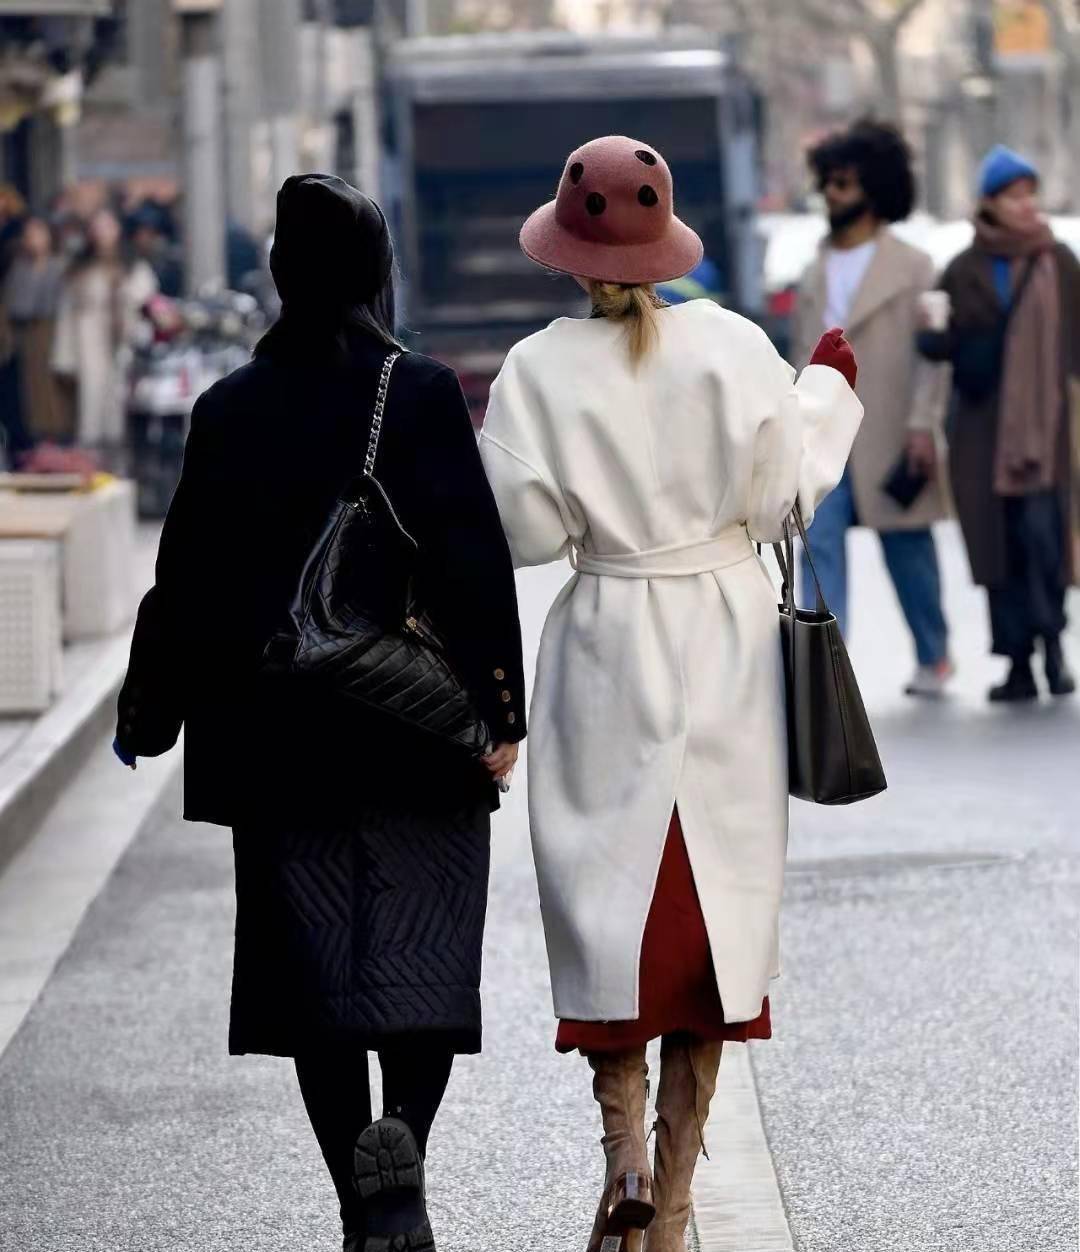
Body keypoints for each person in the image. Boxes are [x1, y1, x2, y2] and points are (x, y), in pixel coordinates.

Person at [112, 174, 527, 1252]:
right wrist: (499, 710)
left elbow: (186, 580)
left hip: (277, 733)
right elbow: (474, 563)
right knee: (421, 959)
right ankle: (406, 1144)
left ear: (279, 275)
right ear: (380, 270)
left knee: (317, 982)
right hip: (415, 723)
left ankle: (360, 1192)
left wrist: (150, 710)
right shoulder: (424, 391)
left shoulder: (228, 409)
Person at [479, 135, 863, 1252]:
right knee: (712, 930)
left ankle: (623, 1157)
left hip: (606, 633)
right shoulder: (736, 346)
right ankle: (679, 1206)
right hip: (727, 636)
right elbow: (791, 489)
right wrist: (829, 384)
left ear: (565, 250)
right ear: (666, 241)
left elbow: (528, 530)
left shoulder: (536, 370)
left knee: (613, 913)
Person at [795, 119, 953, 696]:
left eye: (844, 183)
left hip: (891, 427)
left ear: (875, 189)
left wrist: (923, 425)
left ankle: (934, 656)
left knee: (908, 549)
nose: (832, 194)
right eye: (828, 182)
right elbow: (799, 357)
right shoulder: (812, 270)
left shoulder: (915, 267)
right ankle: (829, 667)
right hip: (824, 434)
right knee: (821, 548)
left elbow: (935, 357)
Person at [918, 146, 1079, 701]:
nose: (1026, 204)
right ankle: (1015, 664)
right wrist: (934, 336)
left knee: (1044, 541)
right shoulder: (962, 269)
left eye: (1030, 193)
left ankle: (1053, 649)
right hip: (981, 432)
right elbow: (940, 345)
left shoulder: (1058, 262)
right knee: (997, 549)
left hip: (1046, 429)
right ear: (990, 202)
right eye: (1014, 194)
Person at [51, 206, 158, 459]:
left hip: (124, 341)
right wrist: (63, 355)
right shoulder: (79, 270)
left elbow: (148, 299)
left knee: (120, 400)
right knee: (90, 399)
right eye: (97, 227)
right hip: (88, 339)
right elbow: (67, 315)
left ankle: (122, 460)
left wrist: (125, 294)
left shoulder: (131, 265)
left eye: (108, 226)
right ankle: (90, 458)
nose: (103, 233)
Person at [1, 216, 70, 443]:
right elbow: (12, 304)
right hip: (26, 336)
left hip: (53, 333)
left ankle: (56, 434)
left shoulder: (60, 267)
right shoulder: (18, 268)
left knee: (54, 391)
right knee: (29, 392)